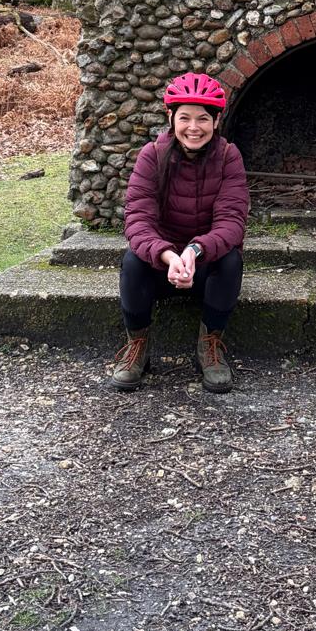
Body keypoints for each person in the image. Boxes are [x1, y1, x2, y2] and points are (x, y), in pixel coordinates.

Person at [111, 71, 249, 394]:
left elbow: (231, 223)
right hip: (162, 266)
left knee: (231, 261)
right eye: (184, 117)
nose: (193, 127)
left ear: (216, 122)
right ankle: (137, 346)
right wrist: (168, 254)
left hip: (204, 265)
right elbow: (137, 219)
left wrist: (194, 251)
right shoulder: (152, 156)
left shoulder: (229, 158)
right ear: (171, 118)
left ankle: (210, 344)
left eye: (203, 119)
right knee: (132, 261)